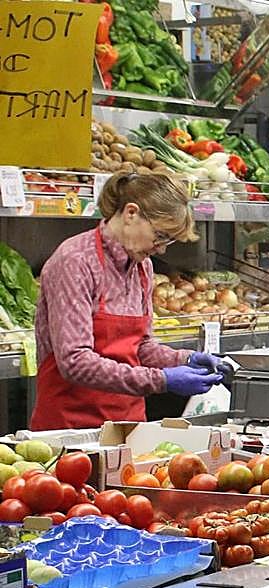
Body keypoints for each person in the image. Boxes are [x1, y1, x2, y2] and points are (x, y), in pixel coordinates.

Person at [30, 173, 224, 431]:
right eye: (160, 235)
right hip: (71, 428)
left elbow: (141, 347)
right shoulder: (75, 261)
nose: (161, 248)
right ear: (131, 213)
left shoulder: (142, 267)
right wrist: (162, 380)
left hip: (129, 425)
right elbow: (75, 362)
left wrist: (185, 359)